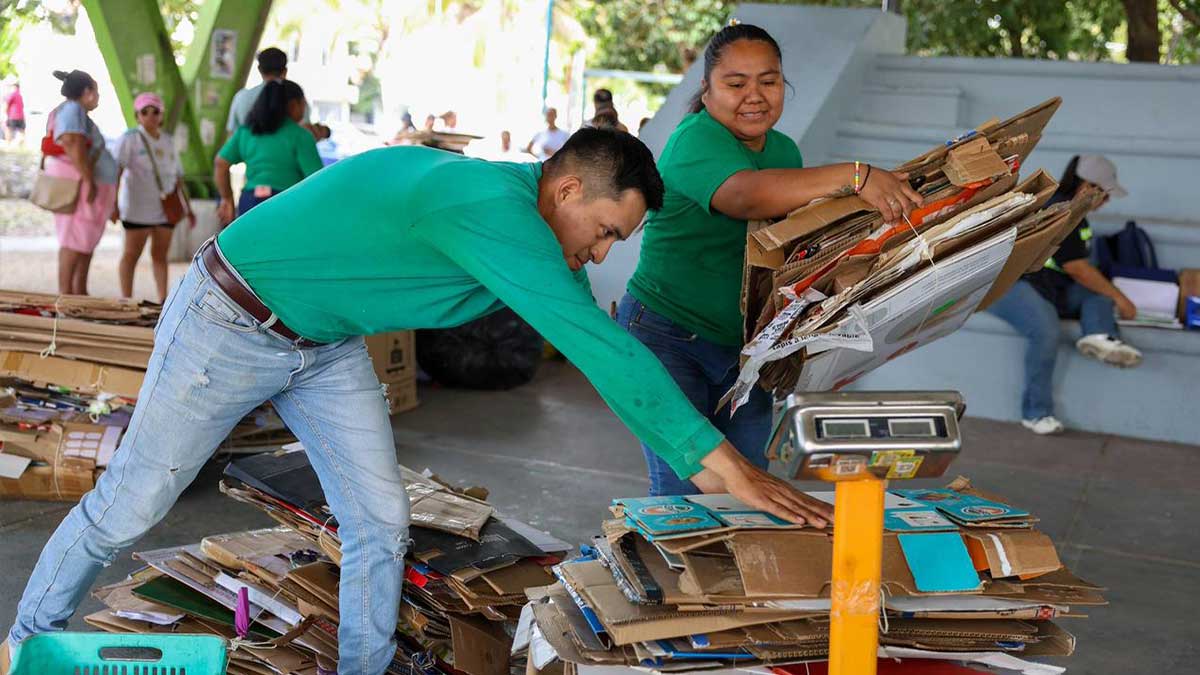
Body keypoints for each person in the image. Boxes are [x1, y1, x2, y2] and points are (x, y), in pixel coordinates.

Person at [3, 128, 831, 675]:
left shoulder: (527, 219)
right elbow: (604, 348)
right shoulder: (490, 209)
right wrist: (720, 462)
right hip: (230, 316)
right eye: (607, 230)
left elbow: (591, 331)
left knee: (379, 520)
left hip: (322, 345)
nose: (603, 252)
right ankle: (24, 640)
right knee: (132, 504)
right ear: (568, 188)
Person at [618, 23, 921, 496]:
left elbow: (789, 244)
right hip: (666, 337)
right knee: (688, 495)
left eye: (769, 80)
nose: (755, 96)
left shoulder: (783, 150)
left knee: (750, 489)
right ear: (707, 89)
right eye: (736, 84)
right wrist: (856, 176)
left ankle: (729, 571)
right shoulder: (694, 140)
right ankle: (667, 569)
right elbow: (746, 198)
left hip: (744, 352)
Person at [987, 154, 1142, 435]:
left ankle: (1099, 335)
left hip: (1049, 286)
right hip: (1012, 286)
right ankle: (1036, 413)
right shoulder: (1060, 209)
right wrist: (1122, 299)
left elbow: (1080, 273)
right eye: (1105, 195)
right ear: (1088, 187)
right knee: (1046, 330)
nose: (1106, 202)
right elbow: (1077, 267)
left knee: (1097, 293)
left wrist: (1111, 294)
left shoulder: (1079, 218)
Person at [111, 92, 195, 303]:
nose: (150, 116)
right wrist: (112, 203)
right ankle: (126, 299)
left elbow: (177, 176)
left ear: (162, 115)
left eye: (155, 111)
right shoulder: (129, 139)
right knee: (131, 254)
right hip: (137, 208)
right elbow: (116, 172)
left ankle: (161, 300)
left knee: (160, 255)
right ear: (137, 115)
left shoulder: (167, 141)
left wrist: (188, 207)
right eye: (145, 112)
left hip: (165, 208)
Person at [41, 69, 119, 296]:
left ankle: (78, 292)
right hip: (81, 185)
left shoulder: (76, 112)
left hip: (89, 184)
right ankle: (67, 295)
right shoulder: (72, 110)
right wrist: (88, 180)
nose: (98, 96)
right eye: (96, 91)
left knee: (84, 242)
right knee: (74, 241)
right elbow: (72, 143)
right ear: (87, 92)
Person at [215, 79, 323, 224]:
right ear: (292, 105)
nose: (304, 110)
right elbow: (317, 179)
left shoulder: (246, 132)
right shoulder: (300, 136)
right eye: (303, 104)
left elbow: (221, 164)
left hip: (250, 204)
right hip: (287, 204)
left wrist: (227, 198)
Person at [227, 47, 295, 135]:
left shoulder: (241, 97)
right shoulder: (295, 100)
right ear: (285, 71)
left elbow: (231, 135)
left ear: (259, 69)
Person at [4, 80, 25, 145]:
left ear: (14, 86)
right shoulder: (20, 95)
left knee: (8, 129)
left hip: (13, 116)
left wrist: (4, 113)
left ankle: (8, 143)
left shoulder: (12, 94)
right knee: (22, 131)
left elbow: (7, 104)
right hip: (21, 116)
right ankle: (22, 144)